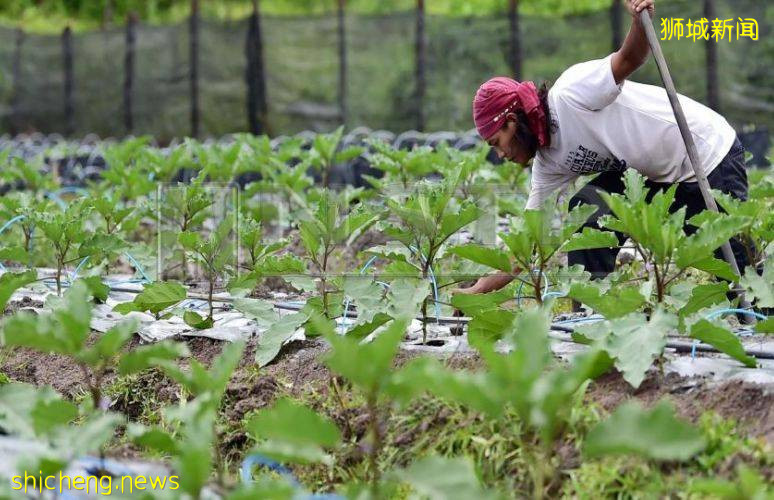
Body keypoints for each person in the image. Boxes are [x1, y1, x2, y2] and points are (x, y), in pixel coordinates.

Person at [455, 0, 753, 299]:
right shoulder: (548, 163)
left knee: (739, 280)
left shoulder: (571, 94)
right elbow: (531, 239)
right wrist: (483, 288)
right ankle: (593, 307)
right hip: (652, 178)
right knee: (587, 208)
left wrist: (639, 19)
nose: (500, 154)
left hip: (706, 153)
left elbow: (630, 58)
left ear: (511, 120)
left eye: (496, 142)